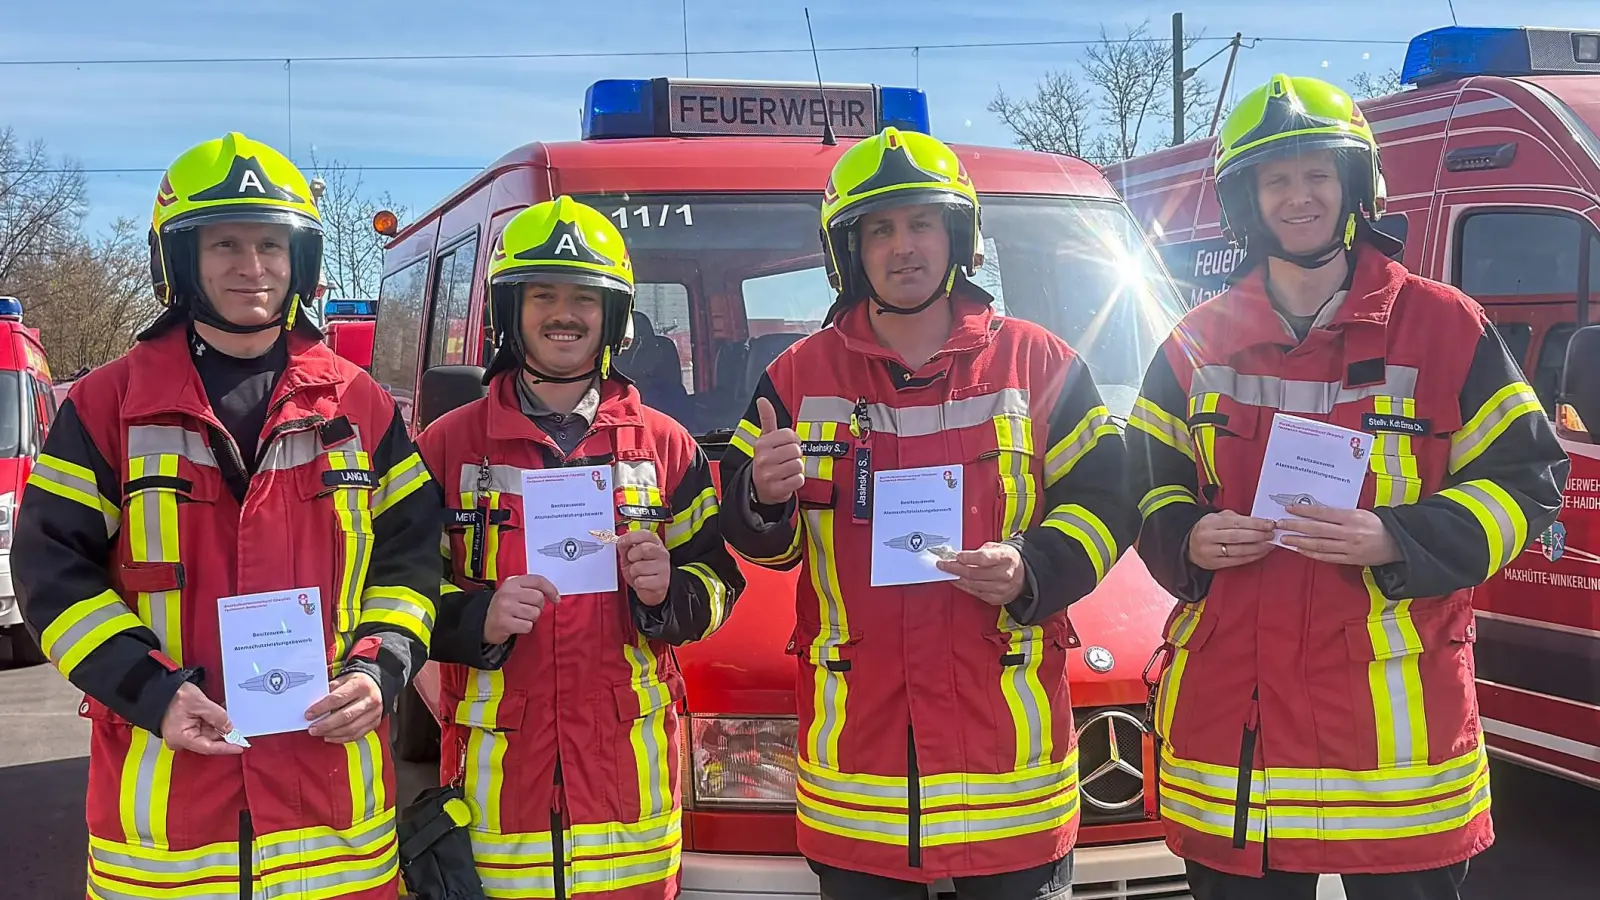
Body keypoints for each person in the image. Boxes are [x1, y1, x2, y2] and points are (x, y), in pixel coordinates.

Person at [1126, 75, 1568, 900]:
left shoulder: (1447, 327)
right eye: (1277, 179)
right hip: (1237, 752)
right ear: (1246, 200)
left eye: (1318, 174)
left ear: (1355, 185)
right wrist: (1184, 536)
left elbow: (1530, 477)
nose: (1299, 197)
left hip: (1398, 762)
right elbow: (1143, 485)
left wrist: (1402, 538)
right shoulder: (1193, 343)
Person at [13, 133, 443, 898]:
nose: (253, 267)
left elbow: (410, 562)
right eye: (226, 245)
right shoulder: (106, 407)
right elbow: (54, 577)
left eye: (272, 246)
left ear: (299, 260)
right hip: (167, 839)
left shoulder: (361, 405)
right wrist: (153, 690)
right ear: (179, 260)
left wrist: (380, 670)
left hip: (335, 834)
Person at [718, 127, 1132, 899]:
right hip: (860, 782)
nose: (902, 247)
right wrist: (760, 497)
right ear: (850, 249)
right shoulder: (794, 377)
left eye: (921, 224)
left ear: (959, 236)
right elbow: (757, 541)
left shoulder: (1041, 364)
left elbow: (1110, 500)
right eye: (880, 229)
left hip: (1010, 777)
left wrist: (1033, 566)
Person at [418, 196, 745, 898]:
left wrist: (670, 594)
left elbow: (721, 586)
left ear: (612, 315)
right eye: (542, 295)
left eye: (582, 297)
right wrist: (477, 618)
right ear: (510, 311)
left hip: (629, 800)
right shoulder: (443, 449)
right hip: (498, 797)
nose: (563, 314)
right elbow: (395, 598)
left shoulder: (667, 446)